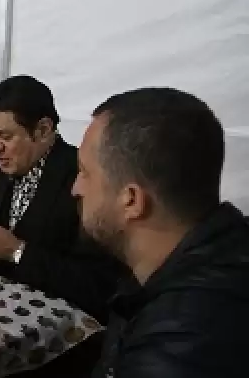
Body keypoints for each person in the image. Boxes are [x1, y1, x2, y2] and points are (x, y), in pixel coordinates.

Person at [76, 88, 249, 378]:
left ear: (130, 200)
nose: (76, 188)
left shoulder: (180, 347)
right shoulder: (225, 247)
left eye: (84, 172)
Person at [0, 75, 121, 324]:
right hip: (4, 308)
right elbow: (8, 232)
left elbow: (97, 284)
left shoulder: (83, 180)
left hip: (61, 327)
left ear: (43, 130)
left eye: (5, 136)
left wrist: (17, 251)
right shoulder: (6, 172)